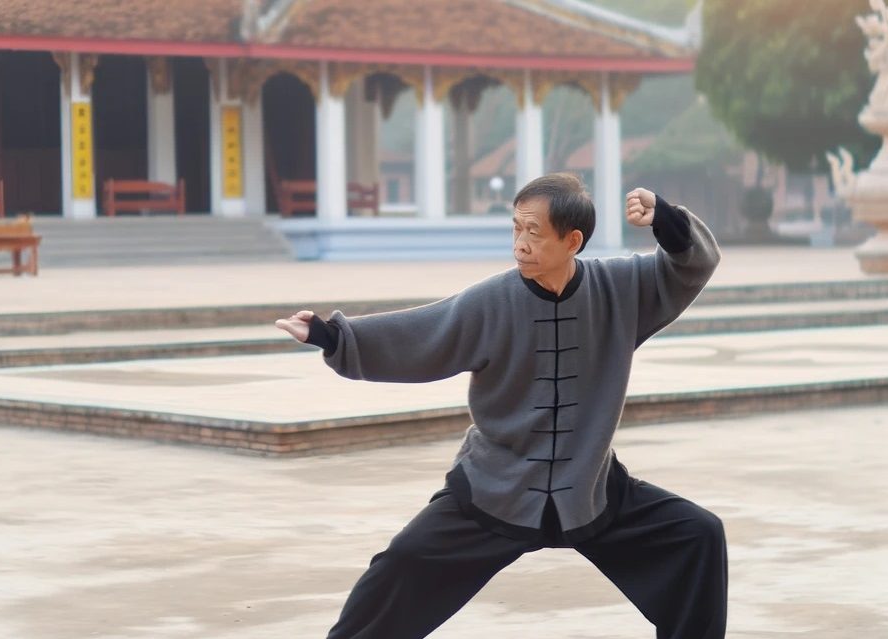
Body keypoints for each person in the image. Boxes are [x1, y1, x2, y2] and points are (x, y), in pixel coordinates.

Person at [275, 173, 726, 639]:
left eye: (534, 232)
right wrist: (331, 336)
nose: (520, 243)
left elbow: (689, 267)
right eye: (516, 228)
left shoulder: (620, 290)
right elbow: (421, 335)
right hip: (495, 487)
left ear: (572, 241)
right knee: (401, 565)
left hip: (589, 489)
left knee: (698, 535)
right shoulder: (491, 301)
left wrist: (667, 222)